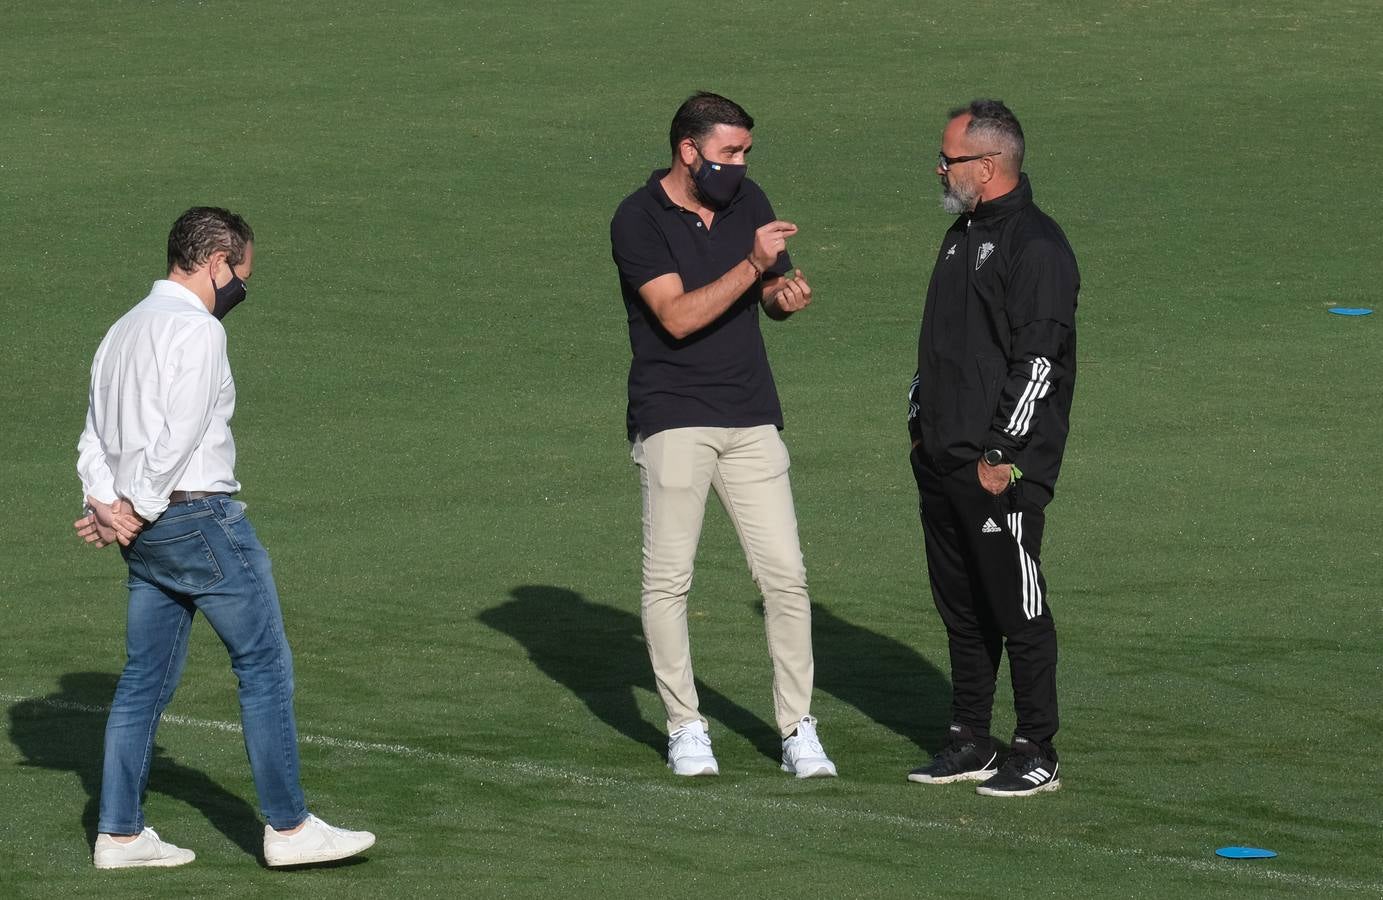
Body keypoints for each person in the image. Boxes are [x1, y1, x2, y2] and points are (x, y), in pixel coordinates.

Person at [74, 207, 376, 867]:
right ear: (216, 263)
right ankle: (290, 829)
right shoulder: (198, 332)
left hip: (146, 536)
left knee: (142, 678)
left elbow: (93, 435)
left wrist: (106, 506)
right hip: (197, 521)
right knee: (263, 666)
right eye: (240, 272)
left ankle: (119, 833)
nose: (241, 285)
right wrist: (140, 506)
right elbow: (178, 436)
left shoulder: (122, 329)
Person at [609, 92, 836, 778]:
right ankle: (685, 727)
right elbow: (675, 317)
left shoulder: (749, 201)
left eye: (745, 153)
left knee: (786, 579)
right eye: (728, 152)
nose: (739, 165)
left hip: (750, 415)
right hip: (673, 417)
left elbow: (767, 292)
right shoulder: (637, 218)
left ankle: (797, 727)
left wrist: (781, 297)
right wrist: (751, 268)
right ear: (689, 151)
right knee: (668, 582)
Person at [905, 100, 1079, 797]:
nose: (939, 167)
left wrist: (1000, 454)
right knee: (963, 607)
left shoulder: (1035, 247)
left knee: (1018, 606)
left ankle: (1036, 745)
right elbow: (942, 345)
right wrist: (917, 418)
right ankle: (969, 737)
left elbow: (1039, 362)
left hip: (998, 470)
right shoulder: (959, 235)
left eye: (948, 157)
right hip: (940, 457)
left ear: (989, 163)